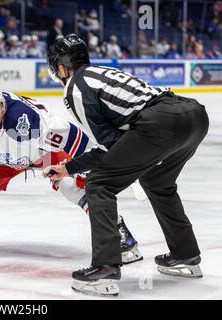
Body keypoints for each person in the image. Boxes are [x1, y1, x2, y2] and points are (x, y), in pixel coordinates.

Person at [45, 34, 209, 296]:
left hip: (160, 124)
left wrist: (74, 167)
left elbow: (109, 147)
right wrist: (69, 168)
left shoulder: (75, 87)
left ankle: (105, 268)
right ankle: (185, 255)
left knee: (98, 184)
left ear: (61, 67)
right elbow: (123, 145)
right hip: (194, 114)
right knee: (158, 183)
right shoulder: (102, 71)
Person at [0, 77, 143, 264]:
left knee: (74, 187)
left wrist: (109, 163)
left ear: (2, 101)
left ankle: (119, 233)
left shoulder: (31, 123)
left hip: (44, 154)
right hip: (0, 157)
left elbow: (81, 143)